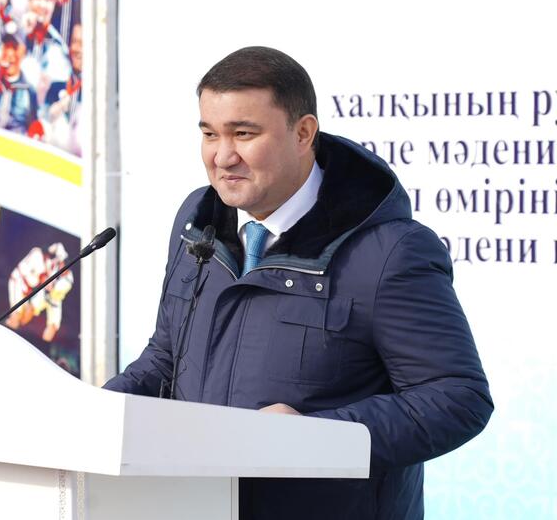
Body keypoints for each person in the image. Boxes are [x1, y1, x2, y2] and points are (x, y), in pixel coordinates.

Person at [103, 47, 493, 520]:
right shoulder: (196, 219)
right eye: (209, 133)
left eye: (244, 134)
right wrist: (94, 415)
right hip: (196, 507)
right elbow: (167, 357)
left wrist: (314, 438)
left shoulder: (391, 251)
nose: (222, 156)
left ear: (303, 132)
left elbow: (457, 398)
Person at [6, 242, 74, 342]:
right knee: (20, 314)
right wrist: (53, 251)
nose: (61, 267)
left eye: (64, 267)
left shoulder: (67, 281)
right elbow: (58, 247)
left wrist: (46, 280)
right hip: (19, 283)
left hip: (54, 299)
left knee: (53, 325)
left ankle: (43, 344)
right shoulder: (38, 255)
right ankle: (8, 330)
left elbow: (49, 288)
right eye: (61, 265)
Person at [0, 34, 40, 134]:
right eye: (7, 46)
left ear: (23, 53)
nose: (9, 53)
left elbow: (33, 129)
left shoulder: (29, 91)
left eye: (15, 48)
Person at [43, 21, 81, 155]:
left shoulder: (97, 96)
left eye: (83, 44)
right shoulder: (55, 87)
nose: (77, 49)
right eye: (74, 41)